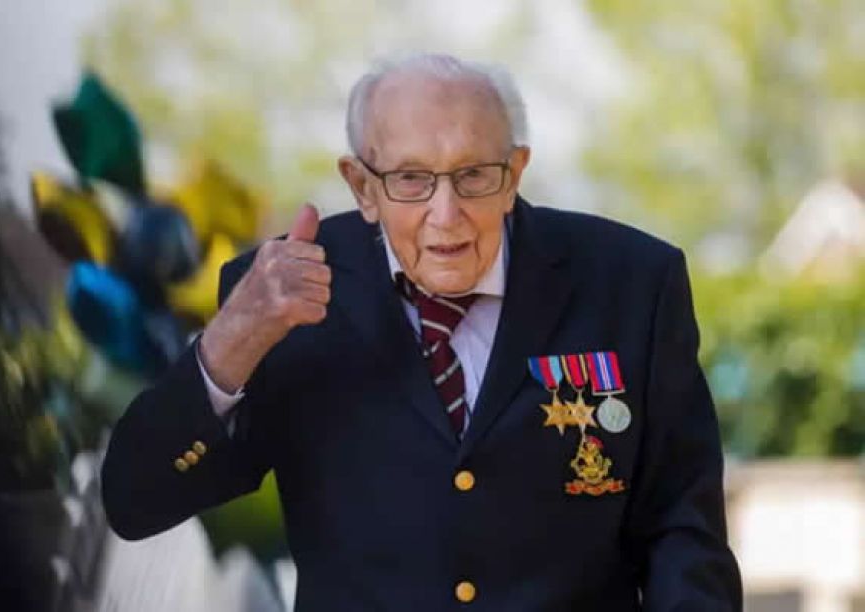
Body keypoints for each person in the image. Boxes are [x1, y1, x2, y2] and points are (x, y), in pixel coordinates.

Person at [102, 53, 742, 610]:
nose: (446, 214)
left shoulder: (631, 283)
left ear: (515, 173)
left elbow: (681, 529)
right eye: (411, 179)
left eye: (474, 176)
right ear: (362, 186)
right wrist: (233, 340)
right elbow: (135, 500)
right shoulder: (280, 292)